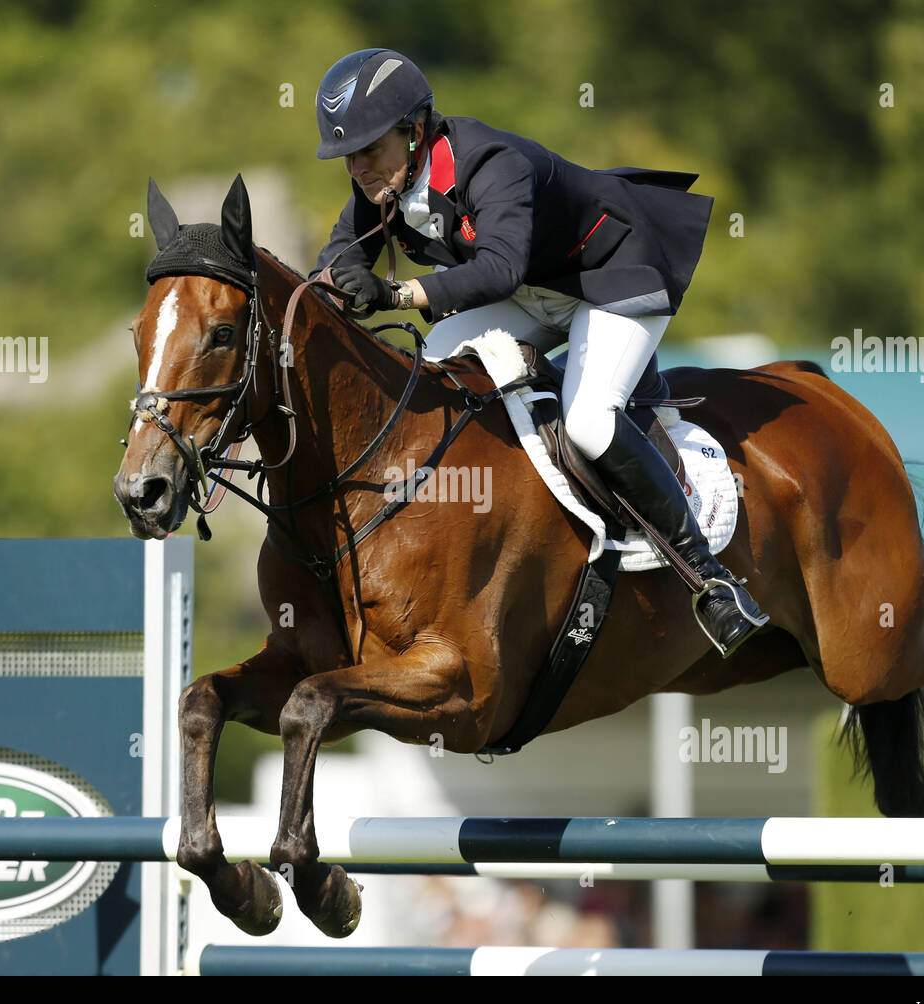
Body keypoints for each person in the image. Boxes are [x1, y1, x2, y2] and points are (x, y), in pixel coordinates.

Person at [312, 48, 768, 657]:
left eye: (370, 150)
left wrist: (396, 292)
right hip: (540, 292)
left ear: (415, 130)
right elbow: (334, 265)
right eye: (350, 158)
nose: (360, 169)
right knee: (438, 363)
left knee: (589, 420)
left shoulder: (490, 162)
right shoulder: (380, 188)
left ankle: (710, 578)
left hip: (613, 275)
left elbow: (498, 267)